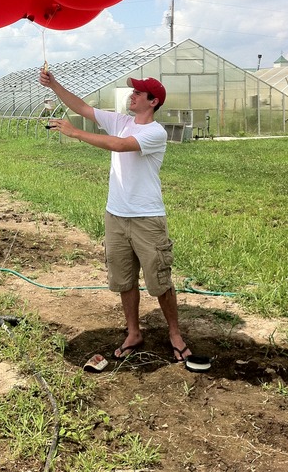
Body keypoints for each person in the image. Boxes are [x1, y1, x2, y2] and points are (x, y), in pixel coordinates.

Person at [39, 69, 191, 363]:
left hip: (147, 217)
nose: (132, 96)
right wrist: (54, 84)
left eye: (138, 93)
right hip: (115, 216)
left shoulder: (155, 133)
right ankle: (133, 332)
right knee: (124, 279)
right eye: (133, 91)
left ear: (153, 102)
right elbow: (82, 108)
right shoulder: (121, 122)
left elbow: (120, 146)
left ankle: (174, 333)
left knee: (159, 280)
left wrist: (76, 133)